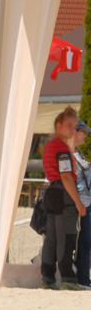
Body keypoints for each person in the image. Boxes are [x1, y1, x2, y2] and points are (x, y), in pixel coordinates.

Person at [40, 106, 86, 290]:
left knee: (51, 238)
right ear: (58, 126)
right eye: (69, 126)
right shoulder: (60, 146)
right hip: (63, 192)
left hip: (52, 191)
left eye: (74, 127)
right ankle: (67, 278)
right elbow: (66, 176)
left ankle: (47, 278)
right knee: (66, 236)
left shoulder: (50, 144)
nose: (72, 130)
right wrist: (78, 202)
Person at [71, 119, 91, 287]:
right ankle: (81, 279)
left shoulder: (78, 153)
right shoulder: (67, 153)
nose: (85, 134)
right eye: (82, 131)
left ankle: (84, 277)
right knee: (79, 242)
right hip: (76, 206)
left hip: (85, 203)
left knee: (84, 242)